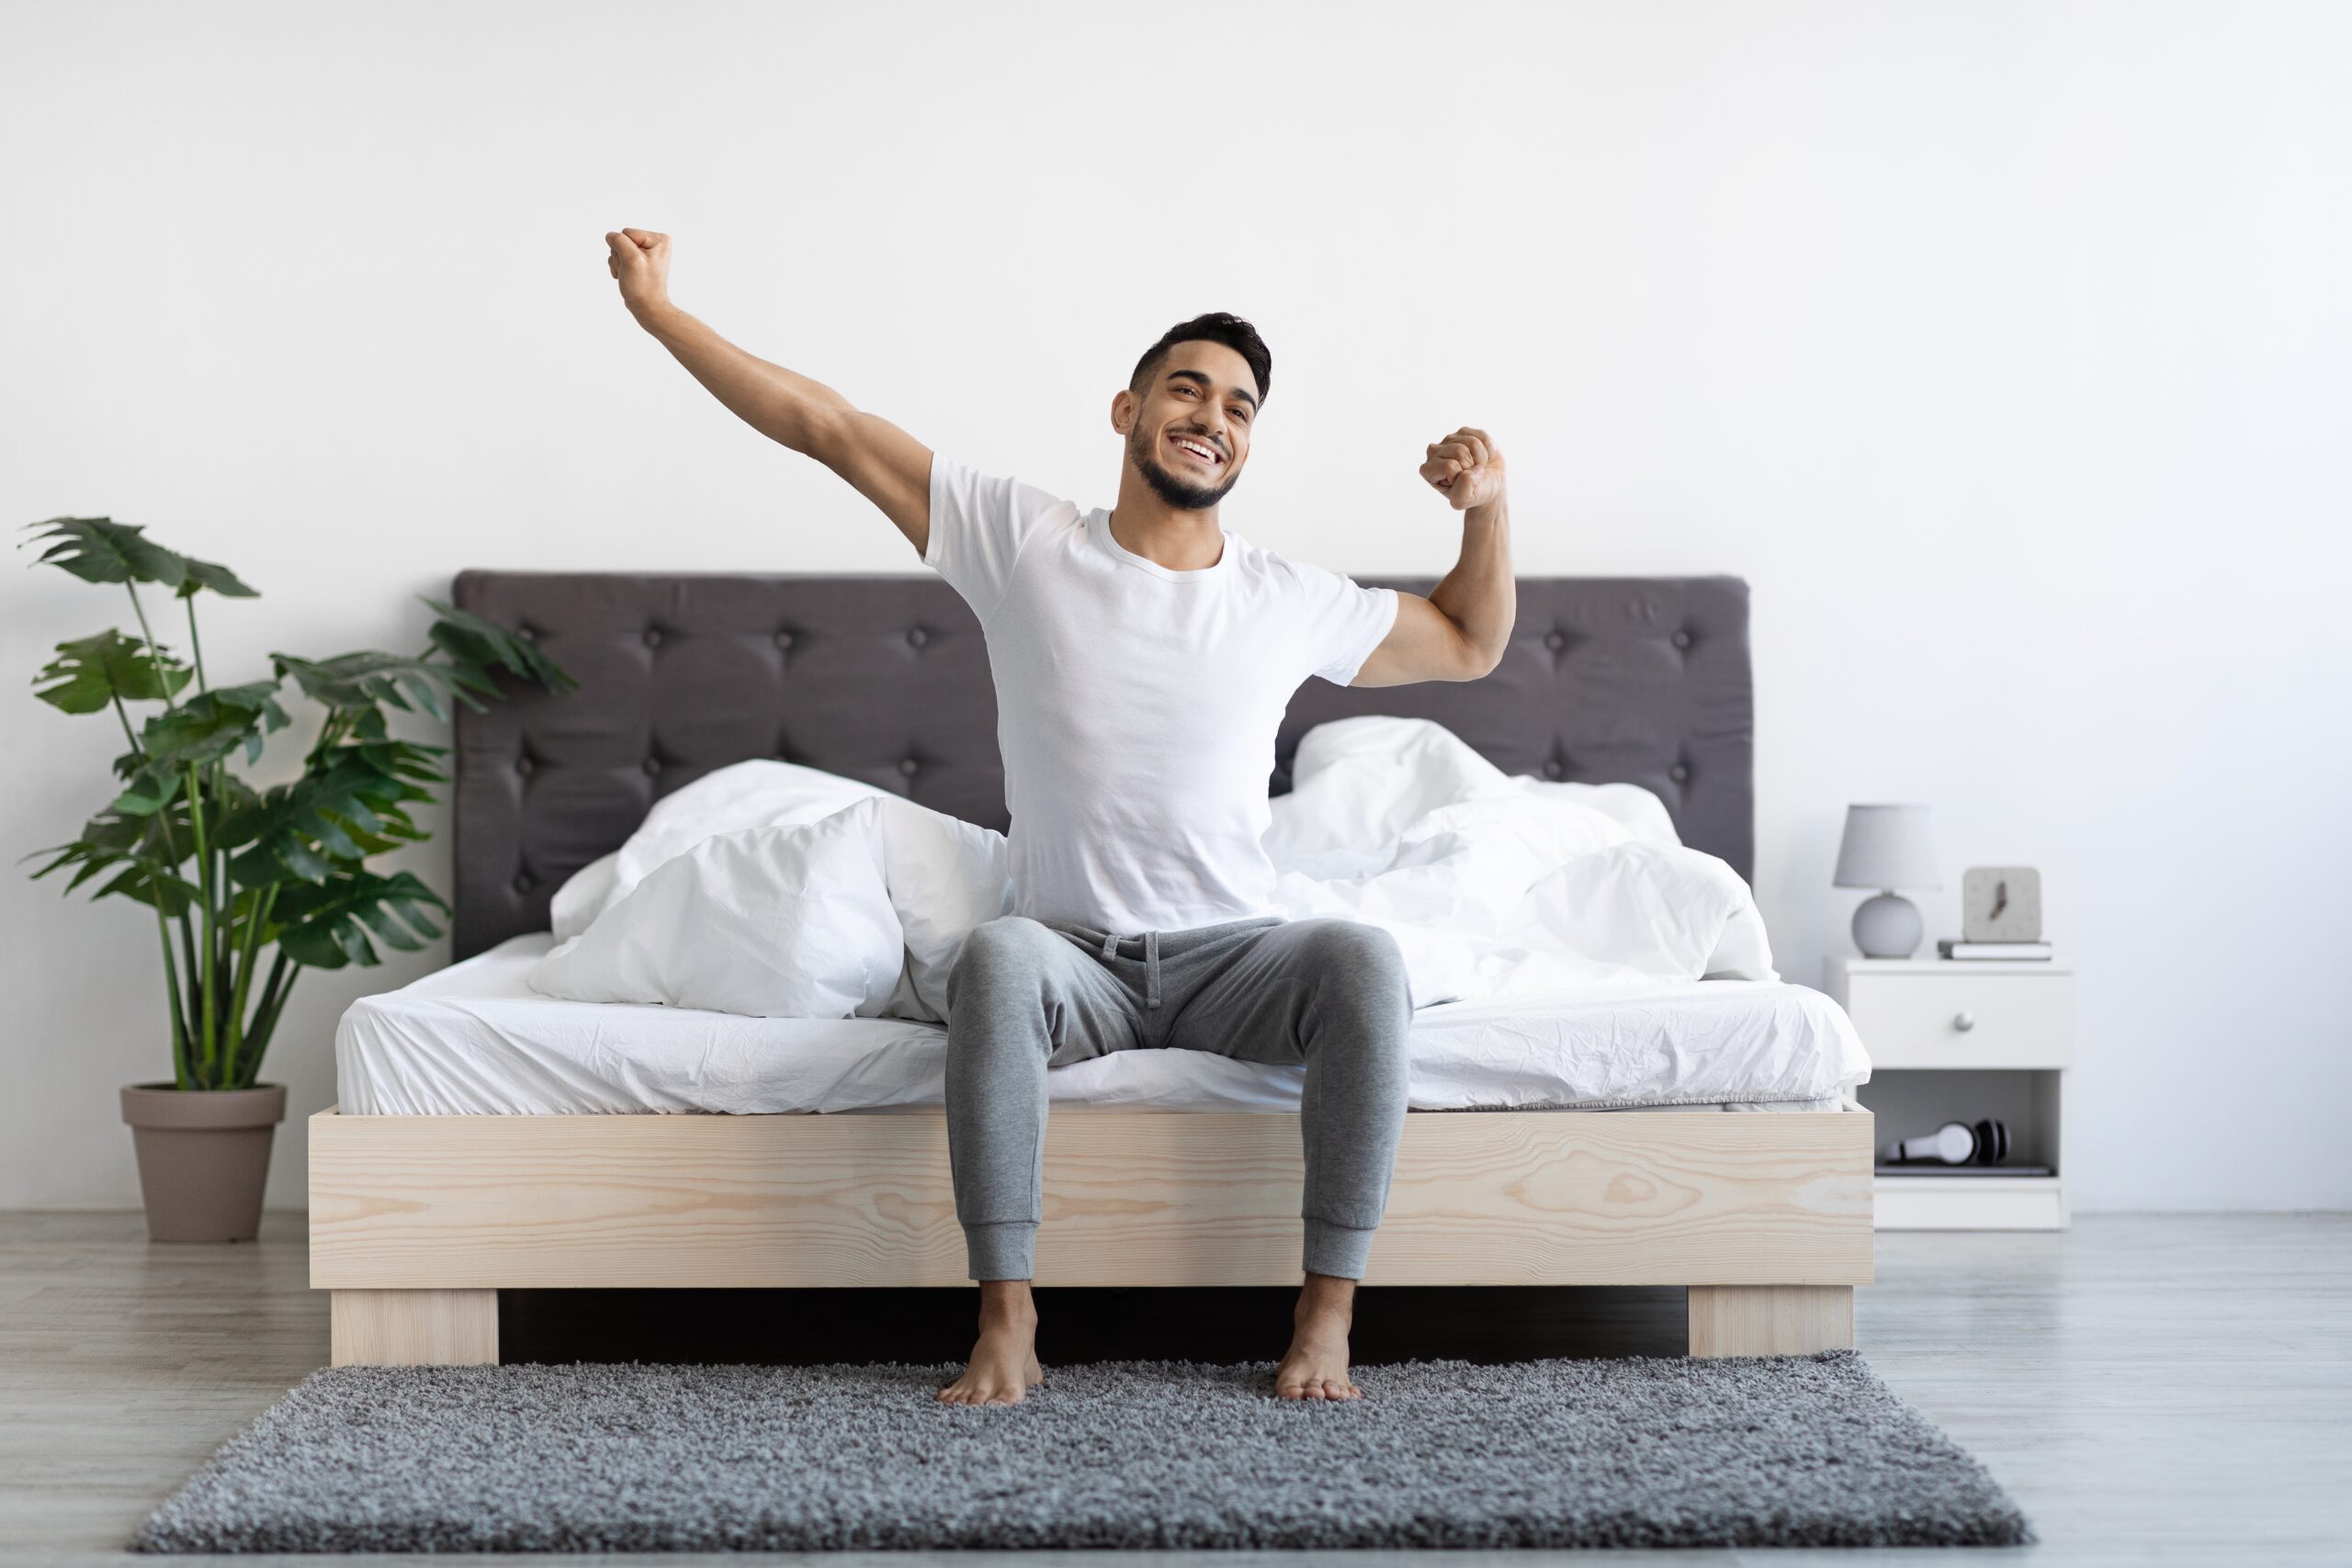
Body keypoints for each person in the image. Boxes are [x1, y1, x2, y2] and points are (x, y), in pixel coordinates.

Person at [605, 228, 1515, 1406]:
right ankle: (1007, 1318)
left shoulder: (1286, 598)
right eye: (1188, 387)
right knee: (992, 956)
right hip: (1071, 958)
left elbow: (1470, 640)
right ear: (1129, 409)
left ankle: (1325, 1315)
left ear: (1248, 443)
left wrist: (1486, 510)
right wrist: (659, 313)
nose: (1213, 414)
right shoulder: (1022, 541)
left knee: (1360, 962)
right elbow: (825, 427)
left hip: (1234, 955)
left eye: (1239, 405)